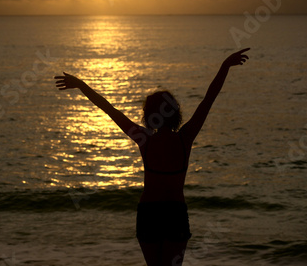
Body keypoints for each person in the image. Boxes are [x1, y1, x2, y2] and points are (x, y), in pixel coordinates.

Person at [55, 48, 250, 266]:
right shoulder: (185, 138)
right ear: (176, 113)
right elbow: (208, 99)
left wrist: (81, 85)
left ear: (149, 115)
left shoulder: (144, 139)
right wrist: (225, 66)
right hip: (175, 213)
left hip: (149, 214)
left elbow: (109, 109)